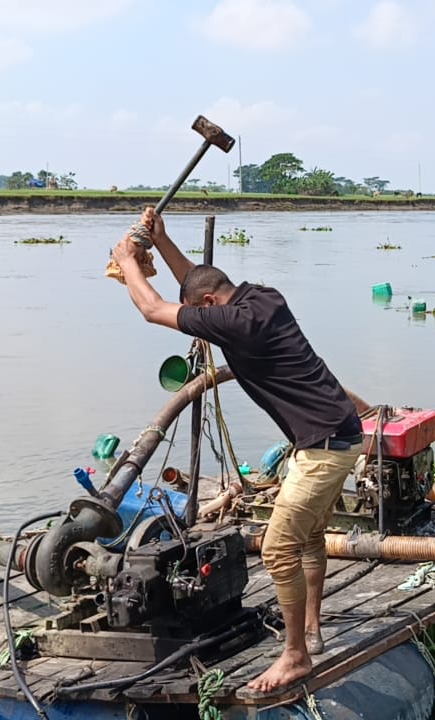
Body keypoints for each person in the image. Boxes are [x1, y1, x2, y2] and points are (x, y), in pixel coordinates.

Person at [111, 208, 362, 696]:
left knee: (277, 548)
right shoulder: (261, 298)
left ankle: (296, 656)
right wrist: (161, 242)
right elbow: (195, 285)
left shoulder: (238, 325)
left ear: (211, 305)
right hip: (336, 435)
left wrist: (128, 264)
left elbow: (152, 309)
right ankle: (310, 629)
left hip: (325, 447)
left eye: (206, 312)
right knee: (308, 537)